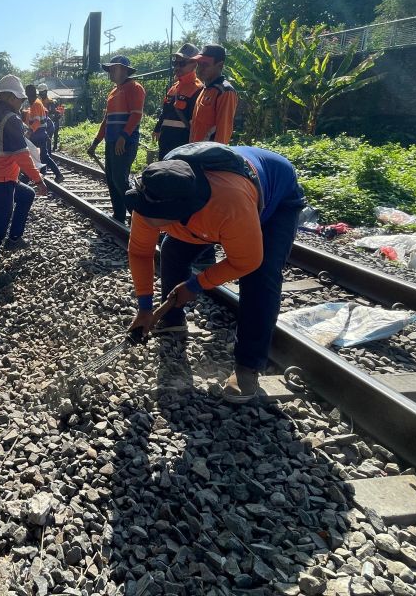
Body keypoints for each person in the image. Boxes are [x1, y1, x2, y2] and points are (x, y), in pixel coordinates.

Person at [124, 143, 306, 403]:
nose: (146, 222)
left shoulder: (227, 205)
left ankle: (248, 367)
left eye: (159, 222)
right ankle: (172, 319)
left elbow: (246, 261)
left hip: (275, 196)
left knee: (261, 277)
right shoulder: (152, 195)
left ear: (182, 214)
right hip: (213, 202)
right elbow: (140, 252)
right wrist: (144, 307)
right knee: (172, 250)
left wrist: (196, 284)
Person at [0, 75, 47, 289]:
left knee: (26, 195)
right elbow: (22, 156)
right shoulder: (11, 120)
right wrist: (39, 180)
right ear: (10, 97)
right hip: (1, 184)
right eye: (20, 99)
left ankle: (14, 239)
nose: (22, 103)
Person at [86, 55, 146, 224]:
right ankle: (119, 215)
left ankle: (138, 217)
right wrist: (96, 142)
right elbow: (107, 120)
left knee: (120, 179)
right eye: (110, 69)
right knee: (111, 179)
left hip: (125, 143)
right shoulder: (113, 92)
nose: (110, 72)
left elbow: (136, 115)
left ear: (125, 70)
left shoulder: (135, 88)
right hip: (111, 142)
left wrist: (123, 137)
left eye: (114, 69)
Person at [152, 42, 205, 158]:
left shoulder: (199, 89)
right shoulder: (173, 88)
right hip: (165, 143)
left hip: (183, 147)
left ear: (194, 64)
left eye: (182, 63)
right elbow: (165, 112)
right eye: (175, 63)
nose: (177, 67)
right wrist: (157, 128)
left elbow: (197, 124)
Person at [187, 44, 238, 145]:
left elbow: (223, 132)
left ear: (219, 65)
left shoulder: (225, 92)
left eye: (205, 64)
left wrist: (215, 158)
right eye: (199, 64)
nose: (200, 68)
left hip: (208, 155)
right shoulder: (205, 88)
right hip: (195, 151)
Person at [29, 110, 63, 181]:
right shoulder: (34, 111)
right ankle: (43, 172)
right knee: (41, 155)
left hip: (41, 135)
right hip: (41, 134)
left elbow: (36, 125)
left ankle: (58, 174)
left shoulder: (33, 112)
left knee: (44, 156)